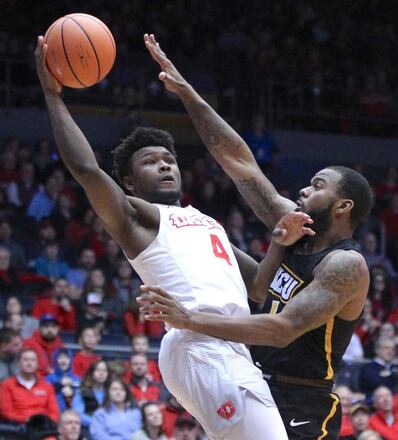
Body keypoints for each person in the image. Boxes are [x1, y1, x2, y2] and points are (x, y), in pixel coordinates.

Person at [35, 34, 293, 440]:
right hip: (199, 342)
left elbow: (259, 286)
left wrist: (280, 237)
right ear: (129, 181)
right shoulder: (141, 218)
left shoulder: (206, 222)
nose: (165, 166)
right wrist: (53, 97)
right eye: (150, 162)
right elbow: (86, 171)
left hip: (228, 344)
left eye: (169, 159)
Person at [137, 35, 374, 440]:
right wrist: (189, 93)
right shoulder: (296, 226)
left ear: (343, 207)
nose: (303, 191)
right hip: (251, 378)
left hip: (304, 402)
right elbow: (241, 164)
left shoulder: (345, 265)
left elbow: (283, 328)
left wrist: (189, 318)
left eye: (317, 186)